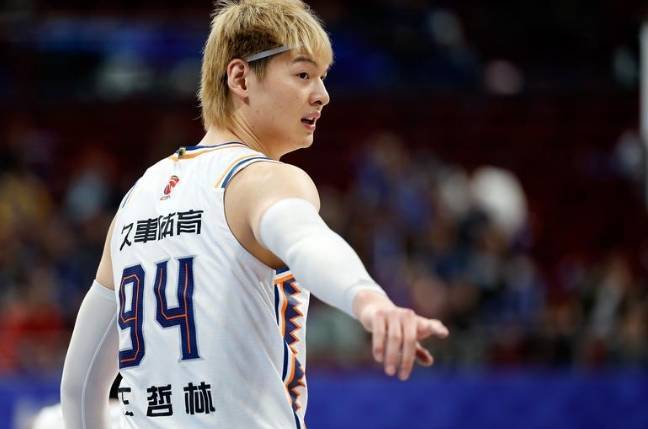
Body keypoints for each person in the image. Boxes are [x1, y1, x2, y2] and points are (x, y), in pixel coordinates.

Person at [60, 1, 449, 428]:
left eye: (322, 77)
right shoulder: (261, 179)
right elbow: (306, 241)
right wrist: (368, 299)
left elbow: (80, 386)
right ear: (241, 78)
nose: (322, 95)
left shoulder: (136, 198)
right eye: (303, 75)